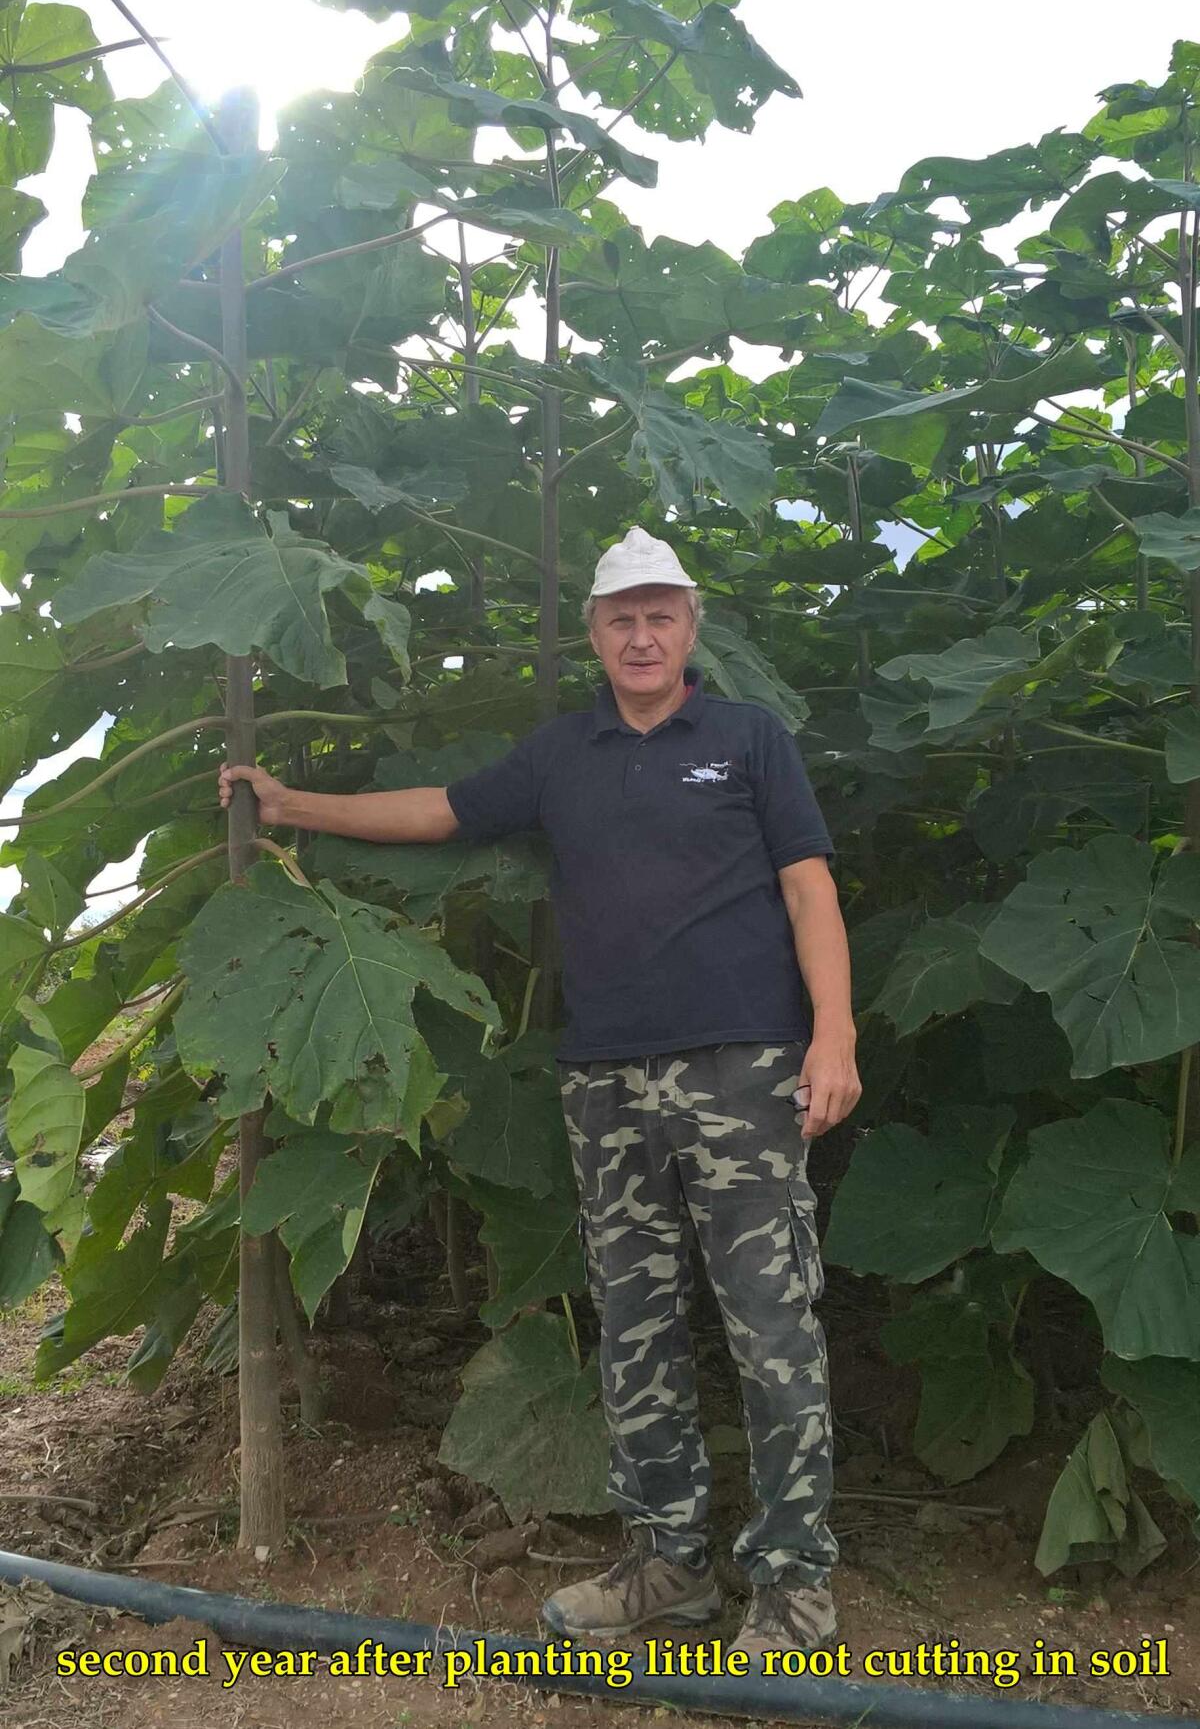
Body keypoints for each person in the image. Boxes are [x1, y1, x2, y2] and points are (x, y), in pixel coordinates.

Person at [220, 523, 862, 1660]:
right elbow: (444, 809)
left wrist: (834, 1037)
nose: (642, 633)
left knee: (773, 1328)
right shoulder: (561, 754)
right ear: (596, 635)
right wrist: (296, 807)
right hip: (605, 1082)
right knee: (634, 1329)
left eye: (661, 613)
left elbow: (810, 890)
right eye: (621, 617)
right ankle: (670, 1564)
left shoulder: (751, 740)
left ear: (691, 626)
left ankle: (796, 1585)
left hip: (743, 1070)